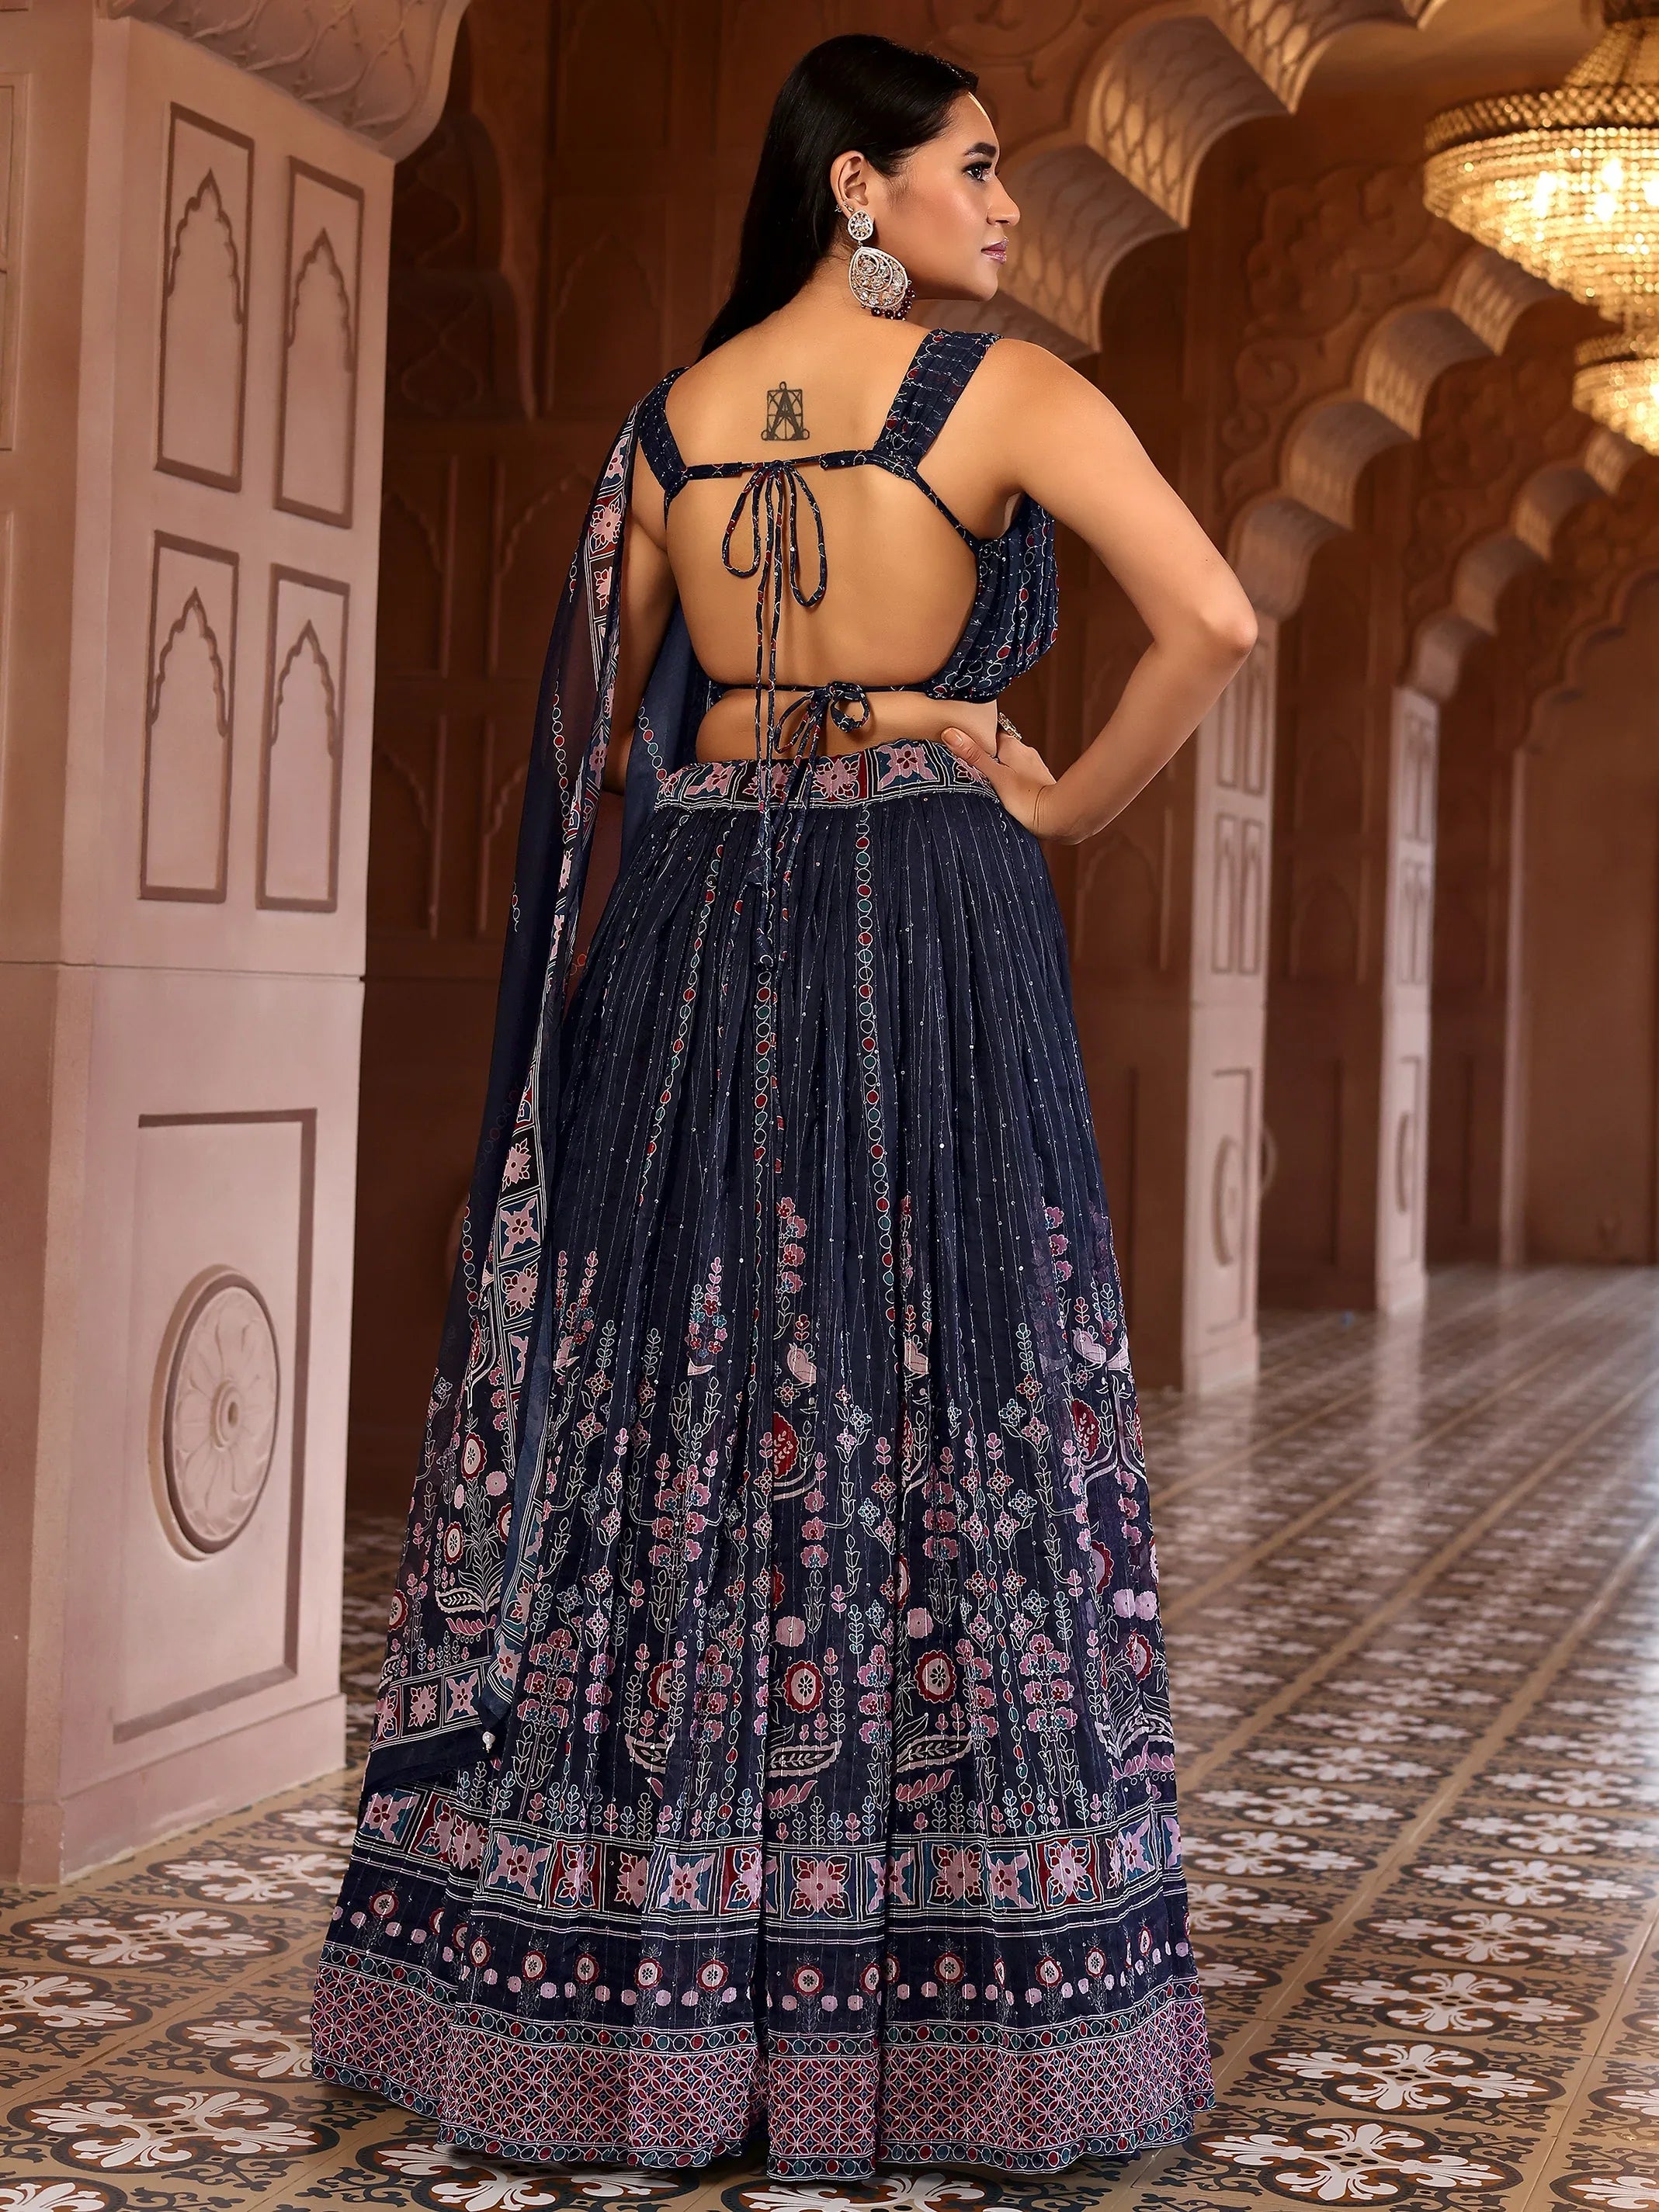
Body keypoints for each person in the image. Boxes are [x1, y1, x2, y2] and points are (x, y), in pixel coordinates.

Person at [311, 31, 1256, 2183]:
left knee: (686, 1405)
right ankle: (959, 2029)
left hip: (699, 919)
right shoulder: (998, 392)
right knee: (942, 1389)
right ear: (860, 185)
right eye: (977, 170)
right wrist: (1057, 797)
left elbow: (576, 753)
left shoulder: (673, 420)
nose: (1006, 213)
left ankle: (622, 2024)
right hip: (923, 903)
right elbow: (1211, 611)